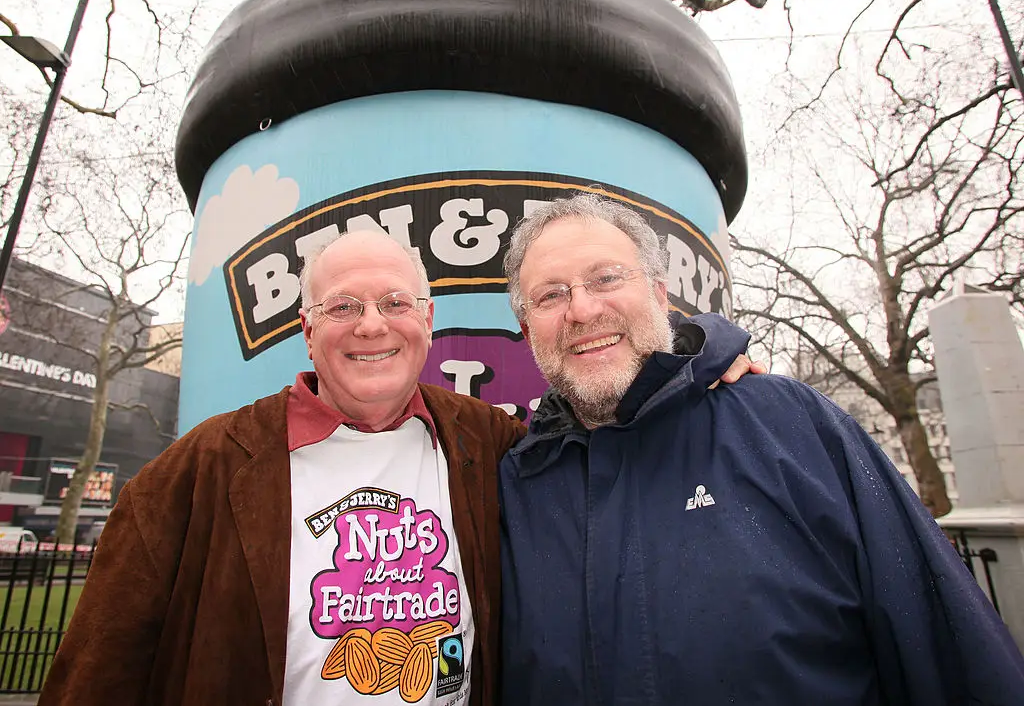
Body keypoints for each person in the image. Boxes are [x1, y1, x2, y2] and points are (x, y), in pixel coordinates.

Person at [39, 229, 759, 706]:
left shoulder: (490, 445)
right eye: (343, 305)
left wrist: (707, 362)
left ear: (427, 317)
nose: (372, 325)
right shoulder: (197, 470)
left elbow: (611, 427)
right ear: (308, 329)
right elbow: (94, 674)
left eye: (394, 303)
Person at [498, 193, 1024, 706]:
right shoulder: (514, 486)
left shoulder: (791, 426)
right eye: (551, 295)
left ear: (660, 295)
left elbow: (947, 649)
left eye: (606, 278)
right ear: (527, 330)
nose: (583, 310)